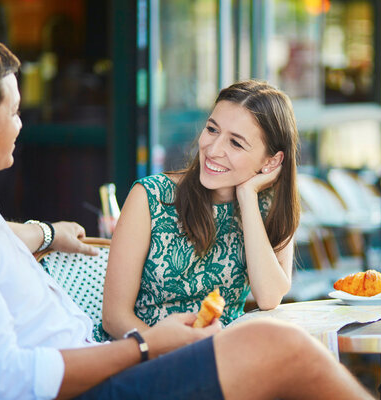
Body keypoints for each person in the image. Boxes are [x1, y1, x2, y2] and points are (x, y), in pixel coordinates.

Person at [0, 30, 373, 400]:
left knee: (280, 354)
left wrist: (47, 233)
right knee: (280, 346)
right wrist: (148, 345)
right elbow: (6, 381)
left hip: (102, 362)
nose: (23, 124)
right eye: (14, 111)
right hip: (98, 377)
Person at [103, 80, 300, 336]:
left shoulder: (267, 206)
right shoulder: (150, 197)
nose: (213, 149)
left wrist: (247, 197)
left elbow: (269, 297)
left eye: (236, 143)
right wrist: (173, 353)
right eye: (212, 129)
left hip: (222, 357)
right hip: (148, 356)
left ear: (271, 161)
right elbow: (114, 318)